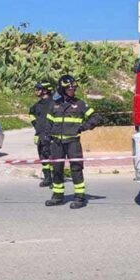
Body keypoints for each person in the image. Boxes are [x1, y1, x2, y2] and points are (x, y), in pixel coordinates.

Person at [44, 74, 103, 209]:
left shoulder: (80, 104)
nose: (72, 91)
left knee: (76, 169)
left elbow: (96, 117)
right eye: (69, 89)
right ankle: (57, 196)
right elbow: (48, 125)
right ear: (62, 89)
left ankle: (79, 197)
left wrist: (83, 127)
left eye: (73, 89)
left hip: (72, 143)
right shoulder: (54, 106)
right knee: (57, 169)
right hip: (57, 143)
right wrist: (46, 142)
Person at [29, 81, 54, 187]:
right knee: (43, 157)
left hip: (51, 136)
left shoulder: (54, 104)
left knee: (52, 158)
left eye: (38, 89)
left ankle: (55, 179)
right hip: (40, 135)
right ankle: (47, 178)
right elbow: (31, 114)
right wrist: (37, 127)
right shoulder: (37, 106)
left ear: (45, 90)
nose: (36, 91)